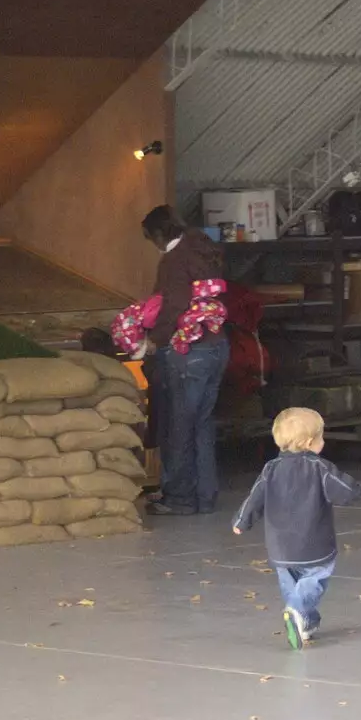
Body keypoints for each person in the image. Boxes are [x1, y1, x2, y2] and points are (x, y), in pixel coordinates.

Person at [232, 407, 361, 650]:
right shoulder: (319, 467)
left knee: (292, 585)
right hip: (313, 542)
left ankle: (305, 623)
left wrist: (242, 520)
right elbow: (342, 490)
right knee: (315, 579)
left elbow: (255, 498)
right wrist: (356, 490)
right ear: (308, 442)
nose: (323, 442)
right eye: (321, 437)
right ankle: (296, 612)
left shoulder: (270, 469)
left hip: (280, 546)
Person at [141, 205, 227, 517]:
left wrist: (154, 340)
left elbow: (173, 306)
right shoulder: (204, 250)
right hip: (216, 346)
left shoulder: (174, 261)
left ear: (160, 235)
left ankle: (179, 498)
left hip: (187, 352)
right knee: (201, 425)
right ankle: (205, 496)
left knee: (178, 425)